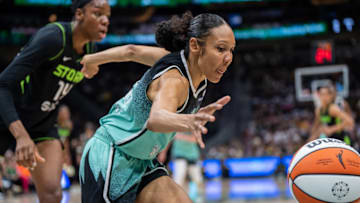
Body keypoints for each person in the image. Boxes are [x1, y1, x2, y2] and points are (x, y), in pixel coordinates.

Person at [0, 0, 167, 202]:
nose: (105, 21)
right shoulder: (53, 37)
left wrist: (101, 119)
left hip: (41, 124)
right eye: (98, 14)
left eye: (108, 16)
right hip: (8, 116)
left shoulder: (90, 49)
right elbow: (3, 85)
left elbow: (70, 94)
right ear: (79, 14)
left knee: (53, 193)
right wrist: (21, 135)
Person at [79, 11, 235, 203]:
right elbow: (156, 119)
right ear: (194, 45)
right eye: (220, 49)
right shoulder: (175, 80)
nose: (228, 58)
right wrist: (187, 120)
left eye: (231, 50)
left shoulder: (190, 67)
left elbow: (131, 51)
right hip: (112, 155)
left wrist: (91, 60)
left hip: (142, 160)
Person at [171, 132, 204, 202]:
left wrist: (180, 136)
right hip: (179, 155)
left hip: (192, 155)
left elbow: (195, 139)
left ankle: (199, 198)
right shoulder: (175, 125)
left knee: (197, 179)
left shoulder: (194, 126)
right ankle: (176, 197)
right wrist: (163, 153)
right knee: (178, 177)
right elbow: (170, 138)